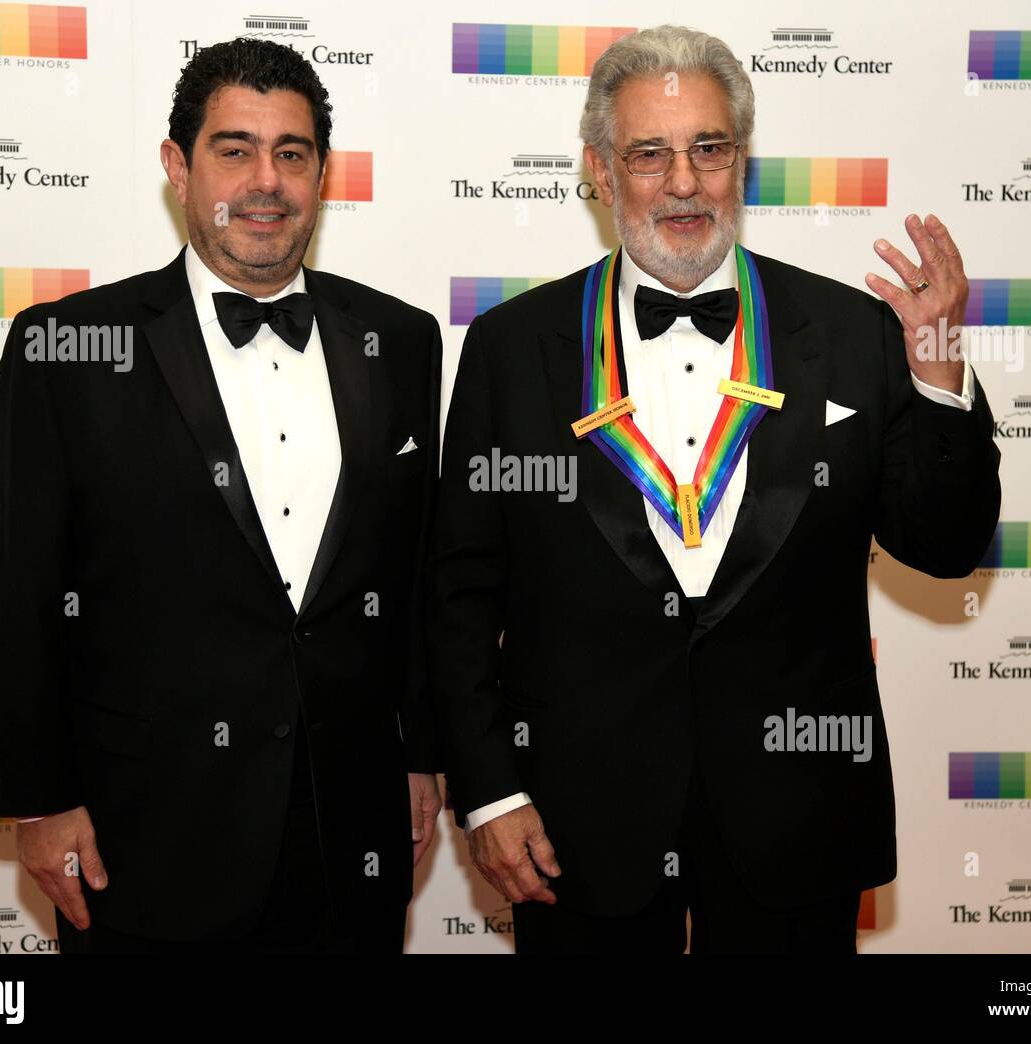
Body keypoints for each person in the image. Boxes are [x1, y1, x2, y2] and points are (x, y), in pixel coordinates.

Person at [427, 25, 1001, 954]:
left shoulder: (852, 331)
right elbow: (458, 597)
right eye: (649, 155)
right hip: (578, 826)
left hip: (797, 814)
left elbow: (943, 546)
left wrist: (937, 372)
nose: (684, 183)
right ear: (601, 174)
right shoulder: (510, 349)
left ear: (742, 162)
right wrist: (491, 788)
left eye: (709, 149)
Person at [0, 38, 442, 953]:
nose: (265, 180)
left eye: (292, 153)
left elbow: (413, 568)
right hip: (140, 831)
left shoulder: (401, 339)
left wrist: (419, 755)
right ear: (177, 167)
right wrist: (39, 800)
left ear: (320, 175)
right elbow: (14, 590)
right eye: (234, 149)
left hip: (348, 827)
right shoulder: (65, 348)